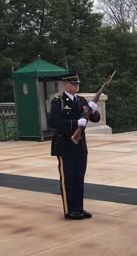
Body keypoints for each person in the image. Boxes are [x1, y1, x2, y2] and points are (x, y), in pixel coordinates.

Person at [49, 72, 100, 220]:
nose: (77, 85)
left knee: (79, 178)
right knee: (68, 179)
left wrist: (94, 110)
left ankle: (78, 208)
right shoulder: (58, 101)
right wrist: (75, 123)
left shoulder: (82, 100)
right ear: (66, 84)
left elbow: (95, 119)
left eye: (78, 83)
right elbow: (53, 122)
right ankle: (69, 210)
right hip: (65, 146)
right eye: (74, 83)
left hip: (80, 146)